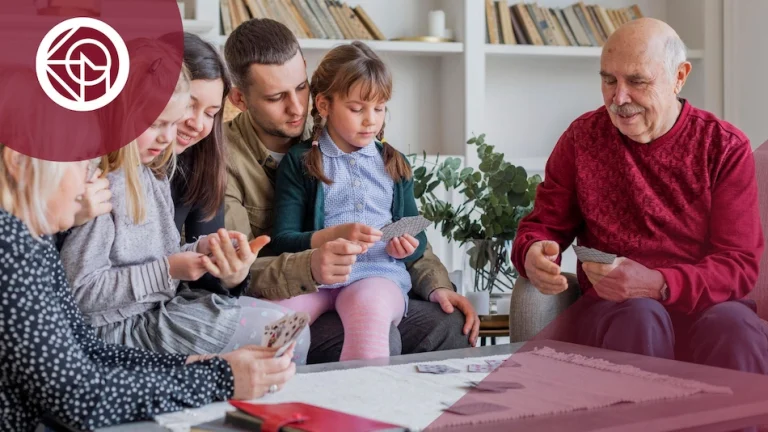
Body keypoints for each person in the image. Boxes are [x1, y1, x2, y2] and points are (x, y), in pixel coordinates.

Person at [0, 67, 295, 432]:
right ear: (18, 161)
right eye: (79, 161)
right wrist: (219, 378)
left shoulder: (30, 240)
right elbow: (78, 396)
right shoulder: (9, 250)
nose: (90, 178)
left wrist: (195, 366)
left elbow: (89, 351)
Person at [511, 18, 768, 374]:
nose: (619, 97)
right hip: (615, 311)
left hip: (709, 306)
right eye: (608, 80)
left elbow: (737, 265)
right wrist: (533, 251)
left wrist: (660, 284)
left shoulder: (723, 146)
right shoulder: (581, 139)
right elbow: (542, 226)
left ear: (679, 76)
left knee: (735, 329)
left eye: (637, 81)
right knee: (640, 315)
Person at [222, 18, 478, 363]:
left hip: (374, 278)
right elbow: (235, 272)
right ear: (239, 98)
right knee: (356, 330)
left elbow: (408, 228)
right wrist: (312, 263)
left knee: (450, 324)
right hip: (298, 285)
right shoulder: (223, 161)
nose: (297, 108)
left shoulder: (364, 143)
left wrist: (438, 286)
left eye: (301, 88)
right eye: (276, 97)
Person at [58, 38, 310, 363]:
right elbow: (80, 293)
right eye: (159, 122)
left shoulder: (155, 172)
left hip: (156, 312)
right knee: (280, 337)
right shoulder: (100, 186)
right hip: (119, 328)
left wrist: (201, 251)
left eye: (212, 113)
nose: (172, 133)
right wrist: (171, 268)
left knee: (292, 331)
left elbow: (160, 258)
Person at [265, 41, 425, 360]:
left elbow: (417, 232)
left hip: (378, 273)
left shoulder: (395, 162)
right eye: (357, 109)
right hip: (315, 276)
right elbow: (282, 240)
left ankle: (360, 406)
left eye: (379, 109)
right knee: (275, 325)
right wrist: (331, 237)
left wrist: (407, 245)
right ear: (324, 105)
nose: (370, 121)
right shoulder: (300, 162)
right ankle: (275, 405)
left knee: (369, 313)